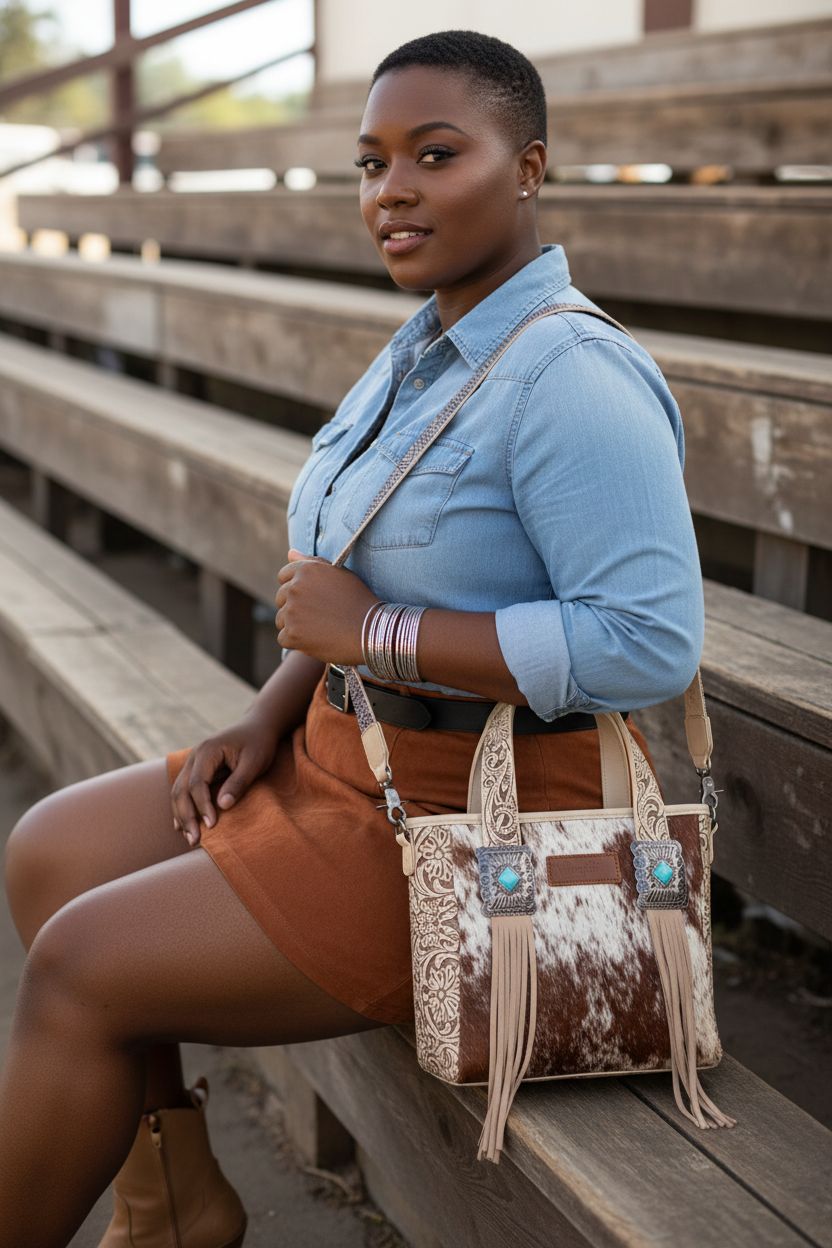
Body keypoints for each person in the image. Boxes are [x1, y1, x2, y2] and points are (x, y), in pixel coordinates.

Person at [0, 28, 704, 1248]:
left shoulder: (574, 379)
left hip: (466, 828)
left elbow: (646, 643)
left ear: (527, 166)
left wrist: (375, 631)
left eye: (435, 154)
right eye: (370, 165)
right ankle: (172, 1208)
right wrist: (271, 709)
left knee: (79, 964)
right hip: (340, 757)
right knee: (51, 852)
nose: (392, 193)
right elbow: (347, 580)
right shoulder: (425, 349)